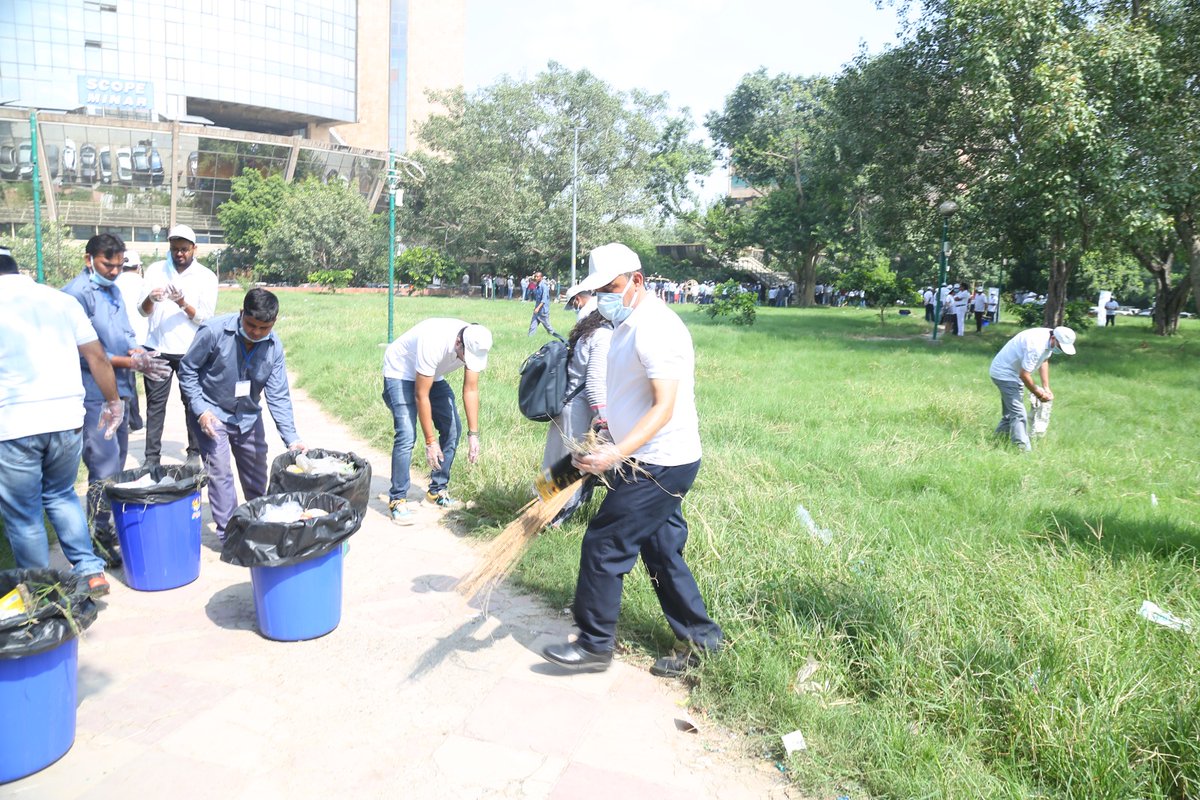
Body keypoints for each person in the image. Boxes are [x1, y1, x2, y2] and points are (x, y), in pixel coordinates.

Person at [541, 242, 723, 679]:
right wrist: (605, 437)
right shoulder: (625, 321)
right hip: (639, 453)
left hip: (660, 463)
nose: (604, 296)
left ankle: (593, 645)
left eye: (612, 287)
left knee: (604, 543)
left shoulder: (657, 327)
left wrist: (616, 454)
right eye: (599, 289)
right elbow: (629, 396)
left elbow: (663, 406)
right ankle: (703, 640)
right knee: (661, 551)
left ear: (636, 281)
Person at [0, 247, 122, 597]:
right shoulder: (60, 300)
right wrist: (113, 402)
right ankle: (89, 570)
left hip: (13, 423)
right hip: (66, 416)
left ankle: (41, 588)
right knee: (61, 494)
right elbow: (97, 355)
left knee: (24, 514)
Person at [63, 234, 170, 568]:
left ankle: (105, 528)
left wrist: (138, 353)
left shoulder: (112, 290)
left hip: (119, 391)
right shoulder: (76, 295)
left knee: (116, 464)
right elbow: (83, 355)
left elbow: (124, 337)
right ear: (89, 259)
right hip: (94, 396)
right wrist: (129, 362)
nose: (113, 271)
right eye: (107, 264)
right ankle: (98, 537)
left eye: (118, 265)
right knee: (104, 467)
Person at [178, 288, 306, 541]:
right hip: (211, 414)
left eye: (264, 328)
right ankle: (231, 535)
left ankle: (259, 525)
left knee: (256, 474)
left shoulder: (273, 346)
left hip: (247, 416)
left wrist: (292, 438)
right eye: (251, 325)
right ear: (241, 314)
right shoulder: (213, 331)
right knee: (220, 472)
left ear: (274, 322)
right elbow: (187, 370)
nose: (256, 332)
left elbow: (278, 394)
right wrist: (201, 410)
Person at [381, 319, 492, 522]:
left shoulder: (475, 341)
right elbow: (421, 395)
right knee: (407, 433)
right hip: (400, 372)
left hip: (432, 373)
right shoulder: (433, 340)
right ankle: (397, 499)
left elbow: (471, 389)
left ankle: (436, 491)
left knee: (453, 429)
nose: (469, 362)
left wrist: (473, 434)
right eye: (467, 357)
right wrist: (430, 442)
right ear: (458, 343)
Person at [139, 224, 217, 468]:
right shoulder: (155, 270)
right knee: (155, 405)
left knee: (193, 403)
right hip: (157, 348)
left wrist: (182, 302)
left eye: (184, 249)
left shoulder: (206, 276)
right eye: (175, 249)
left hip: (191, 351)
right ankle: (151, 458)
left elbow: (206, 318)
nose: (179, 254)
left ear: (195, 249)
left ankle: (194, 453)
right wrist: (151, 298)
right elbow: (142, 311)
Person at [543, 286, 614, 525]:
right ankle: (553, 518)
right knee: (571, 467)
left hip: (567, 406)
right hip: (580, 412)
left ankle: (541, 510)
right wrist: (602, 419)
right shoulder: (603, 336)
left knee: (556, 465)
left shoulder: (588, 332)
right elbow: (594, 382)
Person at [988, 325, 1077, 452]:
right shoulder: (1036, 345)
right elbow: (1024, 375)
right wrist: (1039, 394)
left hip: (1013, 373)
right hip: (1005, 374)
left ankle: (997, 442)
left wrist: (1046, 387)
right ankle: (1023, 450)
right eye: (1060, 346)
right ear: (1053, 338)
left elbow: (1044, 361)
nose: (1060, 350)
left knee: (1010, 414)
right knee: (1019, 414)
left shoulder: (1049, 339)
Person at [115, 248, 149, 430]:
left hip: (122, 338)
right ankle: (139, 420)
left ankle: (133, 420)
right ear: (138, 267)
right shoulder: (144, 283)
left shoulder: (114, 283)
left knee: (127, 380)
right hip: (145, 337)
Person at [527, 270, 559, 337]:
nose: (536, 278)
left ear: (541, 278)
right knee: (532, 326)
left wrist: (538, 308)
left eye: (537, 277)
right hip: (537, 311)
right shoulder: (537, 286)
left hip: (543, 311)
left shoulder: (544, 286)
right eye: (535, 276)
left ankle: (557, 337)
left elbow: (544, 300)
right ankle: (529, 338)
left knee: (548, 328)